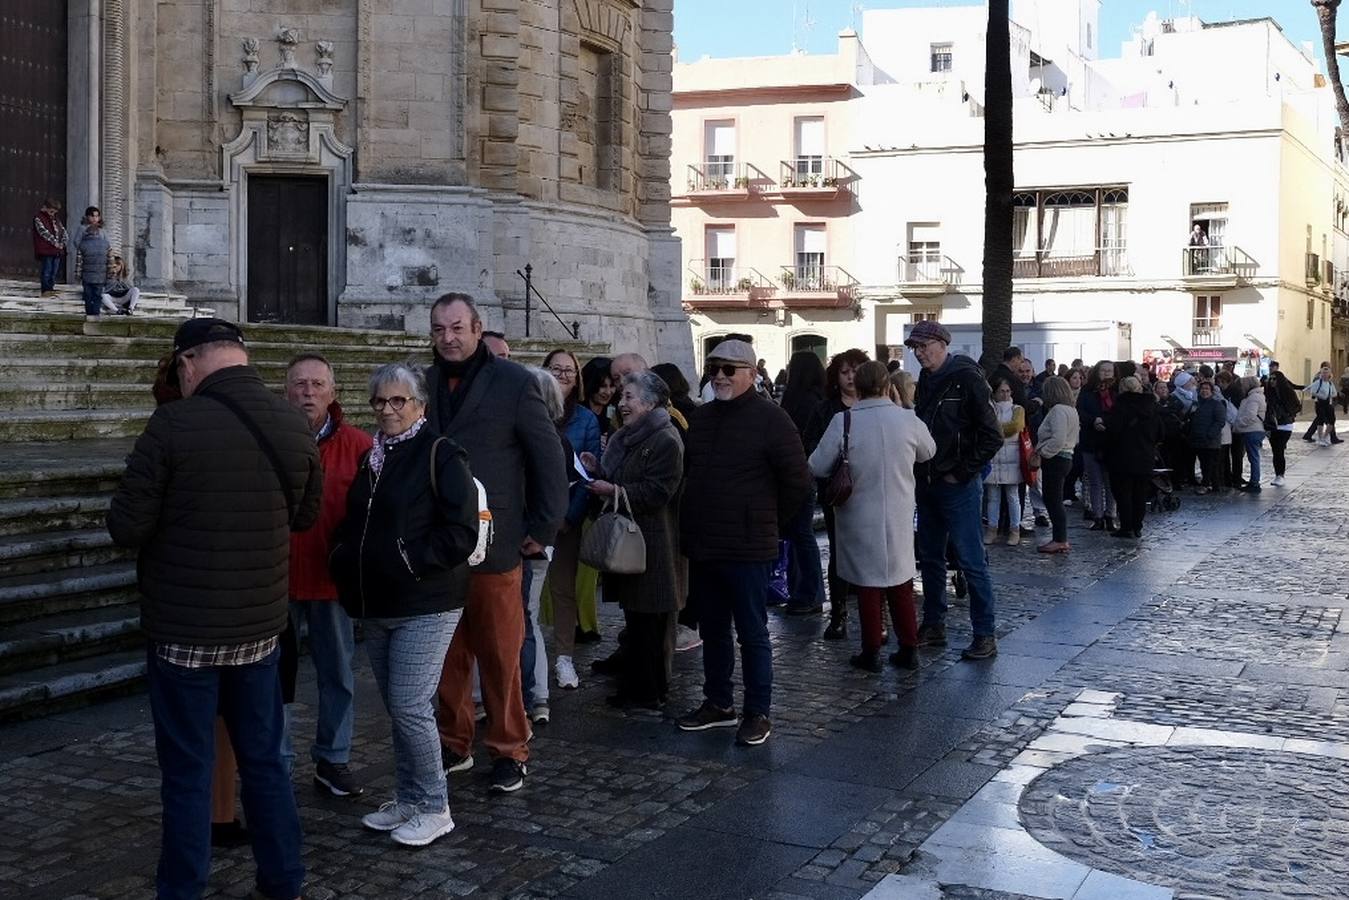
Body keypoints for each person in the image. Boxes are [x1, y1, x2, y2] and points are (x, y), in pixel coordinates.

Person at [106, 318, 322, 900]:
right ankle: (284, 882)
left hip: (184, 635)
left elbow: (125, 526)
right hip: (259, 630)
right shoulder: (295, 422)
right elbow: (304, 518)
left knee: (187, 773)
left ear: (188, 362)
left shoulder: (172, 424)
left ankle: (182, 891)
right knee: (267, 765)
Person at [329, 363, 478, 847]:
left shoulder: (440, 453)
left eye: (399, 401)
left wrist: (410, 561)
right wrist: (344, 557)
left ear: (419, 405)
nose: (388, 410)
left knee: (411, 704)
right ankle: (410, 798)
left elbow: (462, 531)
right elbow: (360, 523)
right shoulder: (373, 457)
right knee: (398, 707)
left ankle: (436, 805)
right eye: (379, 401)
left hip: (426, 600)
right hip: (376, 602)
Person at [426, 293, 567, 795]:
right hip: (440, 545)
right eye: (440, 329)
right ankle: (454, 742)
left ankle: (510, 748)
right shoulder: (423, 383)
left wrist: (545, 526)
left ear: (477, 328)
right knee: (447, 654)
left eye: (457, 327)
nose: (448, 337)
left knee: (501, 653)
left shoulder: (515, 382)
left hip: (499, 541)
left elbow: (547, 457)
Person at [676, 339, 811, 746]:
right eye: (714, 368)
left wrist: (766, 522)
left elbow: (798, 482)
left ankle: (758, 712)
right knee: (714, 629)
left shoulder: (773, 420)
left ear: (751, 374)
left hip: (748, 547)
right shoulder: (702, 419)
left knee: (752, 633)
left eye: (729, 369)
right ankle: (718, 703)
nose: (719, 376)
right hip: (705, 544)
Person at [282, 354, 372, 798]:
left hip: (332, 578)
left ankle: (333, 759)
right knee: (274, 678)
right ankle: (275, 761)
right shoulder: (270, 439)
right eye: (300, 384)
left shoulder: (358, 445)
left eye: (318, 384)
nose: (309, 392)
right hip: (276, 579)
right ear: (286, 391)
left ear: (333, 393)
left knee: (337, 674)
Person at [808, 361, 935, 672]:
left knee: (868, 583)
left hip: (856, 514)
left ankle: (871, 650)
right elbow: (929, 451)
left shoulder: (844, 421)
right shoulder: (907, 419)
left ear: (858, 386)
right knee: (900, 581)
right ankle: (909, 646)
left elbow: (817, 465)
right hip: (899, 511)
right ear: (886, 385)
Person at [581, 371, 685, 708]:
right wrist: (598, 469)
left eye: (629, 397)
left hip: (652, 543)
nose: (621, 403)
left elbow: (658, 491)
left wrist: (613, 490)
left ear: (651, 401)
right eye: (622, 397)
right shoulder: (629, 437)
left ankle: (649, 689)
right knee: (637, 618)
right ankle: (638, 685)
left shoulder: (665, 438)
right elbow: (623, 476)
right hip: (631, 540)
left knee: (651, 620)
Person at [906, 321, 1003, 661]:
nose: (918, 353)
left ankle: (984, 633)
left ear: (942, 344)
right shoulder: (927, 381)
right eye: (914, 348)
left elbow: (991, 435)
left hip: (956, 484)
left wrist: (961, 472)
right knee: (930, 557)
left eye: (923, 346)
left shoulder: (967, 378)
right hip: (928, 482)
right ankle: (934, 624)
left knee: (970, 559)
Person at [539, 349, 601, 691]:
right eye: (556, 369)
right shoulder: (531, 409)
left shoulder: (586, 421)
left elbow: (588, 473)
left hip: (566, 518)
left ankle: (564, 658)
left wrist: (570, 517)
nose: (563, 375)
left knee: (563, 589)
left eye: (569, 371)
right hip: (530, 517)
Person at [805, 348, 869, 639]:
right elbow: (813, 449)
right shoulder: (825, 410)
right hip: (838, 492)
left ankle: (875, 616)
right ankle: (839, 613)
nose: (851, 377)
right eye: (845, 372)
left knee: (871, 553)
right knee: (839, 553)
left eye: (855, 371)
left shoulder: (874, 407)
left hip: (869, 490)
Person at [778, 350, 828, 616]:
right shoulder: (817, 400)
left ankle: (809, 593)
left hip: (797, 476)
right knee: (800, 535)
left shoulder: (801, 402)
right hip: (804, 475)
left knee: (801, 536)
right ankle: (804, 591)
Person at [1103, 376, 1161, 538]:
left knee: (1123, 493)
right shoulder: (1152, 406)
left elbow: (1113, 431)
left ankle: (1126, 526)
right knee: (1140, 494)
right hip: (1145, 457)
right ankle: (1137, 526)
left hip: (1122, 457)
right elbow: (1160, 432)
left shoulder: (1120, 406)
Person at [1031, 376, 1079, 554]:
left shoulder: (1058, 410)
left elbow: (1057, 438)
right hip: (1065, 457)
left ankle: (1060, 538)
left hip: (1056, 458)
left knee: (1053, 499)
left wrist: (1042, 452)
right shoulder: (1071, 409)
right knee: (1053, 498)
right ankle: (1059, 538)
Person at [984, 377, 1026, 546]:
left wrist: (995, 429)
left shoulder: (1018, 409)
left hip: (1012, 457)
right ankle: (992, 529)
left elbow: (1015, 427)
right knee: (993, 497)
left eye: (1008, 391)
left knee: (1012, 496)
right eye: (1002, 391)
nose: (1005, 394)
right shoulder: (989, 409)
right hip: (994, 457)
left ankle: (1014, 530)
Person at [1077, 360, 1118, 531]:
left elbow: (1120, 413)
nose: (1107, 373)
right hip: (1090, 440)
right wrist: (1094, 420)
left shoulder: (1117, 392)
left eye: (1110, 370)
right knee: (1095, 481)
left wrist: (1106, 422)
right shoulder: (1087, 391)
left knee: (1111, 482)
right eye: (1104, 370)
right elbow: (1080, 411)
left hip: (1111, 441)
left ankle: (1111, 516)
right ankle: (1098, 516)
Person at [1188, 380, 1226, 494]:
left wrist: (1210, 435)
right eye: (1202, 389)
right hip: (1198, 439)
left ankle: (1209, 484)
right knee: (1204, 464)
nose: (1204, 391)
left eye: (1207, 389)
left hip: (1210, 440)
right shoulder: (1196, 404)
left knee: (1210, 464)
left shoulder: (1217, 404)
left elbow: (1219, 421)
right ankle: (1212, 485)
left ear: (1212, 391)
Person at [1264, 370, 1299, 486]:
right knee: (1276, 451)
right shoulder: (1268, 393)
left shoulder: (1288, 392)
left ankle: (1280, 475)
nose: (1272, 381)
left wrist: (1289, 413)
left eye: (1274, 379)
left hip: (1285, 425)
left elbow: (1297, 406)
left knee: (1279, 450)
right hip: (1272, 425)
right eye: (1271, 379)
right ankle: (1278, 474)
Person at [1233, 375, 1266, 493]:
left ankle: (1254, 483)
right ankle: (1254, 481)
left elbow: (1250, 415)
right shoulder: (1255, 396)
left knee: (1253, 457)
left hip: (1252, 430)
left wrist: (1239, 424)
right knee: (1253, 457)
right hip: (1252, 429)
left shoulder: (1254, 398)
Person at [76, 206, 110, 317]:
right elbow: (76, 242)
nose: (95, 218)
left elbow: (108, 246)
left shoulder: (102, 230)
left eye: (97, 216)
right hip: (88, 263)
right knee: (91, 294)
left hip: (99, 267)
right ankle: (93, 313)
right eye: (92, 216)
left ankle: (93, 313)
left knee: (95, 294)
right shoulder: (82, 228)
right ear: (87, 217)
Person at [32, 198, 67, 296]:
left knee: (54, 270)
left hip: (57, 250)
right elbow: (43, 232)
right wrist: (54, 242)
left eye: (55, 212)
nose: (53, 213)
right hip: (46, 249)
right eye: (51, 211)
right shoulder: (39, 218)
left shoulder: (56, 219)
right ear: (45, 208)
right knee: (47, 269)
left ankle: (51, 288)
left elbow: (62, 231)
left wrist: (63, 242)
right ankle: (45, 289)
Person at [1304, 364, 1340, 446]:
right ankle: (1320, 438)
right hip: (1320, 403)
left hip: (1328, 404)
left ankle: (1325, 436)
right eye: (1323, 373)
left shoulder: (1330, 383)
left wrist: (1330, 395)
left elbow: (1334, 393)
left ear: (1329, 374)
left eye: (1326, 373)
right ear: (1321, 373)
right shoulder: (1318, 382)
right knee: (1320, 420)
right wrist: (1321, 396)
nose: (1325, 374)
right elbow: (1312, 391)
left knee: (1332, 420)